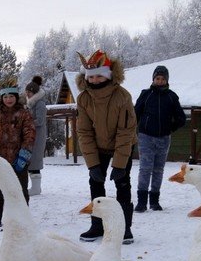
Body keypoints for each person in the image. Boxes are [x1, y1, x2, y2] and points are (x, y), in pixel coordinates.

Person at [76, 49, 137, 244]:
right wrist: (93, 164)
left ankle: (124, 227)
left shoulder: (122, 96)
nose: (94, 80)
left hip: (122, 145)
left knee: (122, 183)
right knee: (95, 183)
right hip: (98, 147)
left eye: (98, 75)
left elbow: (126, 131)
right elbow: (84, 132)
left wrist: (119, 165)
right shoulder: (84, 99)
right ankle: (97, 224)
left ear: (109, 74)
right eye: (90, 76)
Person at [134, 65, 186, 213]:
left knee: (158, 169)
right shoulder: (146, 94)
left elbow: (181, 118)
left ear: (167, 80)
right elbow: (135, 114)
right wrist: (134, 129)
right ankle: (141, 202)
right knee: (145, 169)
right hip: (146, 137)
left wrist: (170, 128)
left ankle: (155, 202)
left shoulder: (172, 96)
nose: (160, 81)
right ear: (153, 79)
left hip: (163, 139)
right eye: (157, 78)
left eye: (163, 79)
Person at [0, 81, 35, 227]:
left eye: (11, 96)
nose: (8, 99)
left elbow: (30, 134)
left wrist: (24, 155)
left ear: (16, 98)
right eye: (5, 97)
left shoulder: (24, 114)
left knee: (19, 190)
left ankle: (21, 217)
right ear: (1, 99)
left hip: (18, 160)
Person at [25, 76, 47, 196]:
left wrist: (27, 123)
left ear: (34, 92)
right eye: (26, 91)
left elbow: (40, 121)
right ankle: (34, 187)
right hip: (31, 136)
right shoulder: (31, 104)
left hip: (38, 137)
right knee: (31, 161)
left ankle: (36, 188)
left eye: (29, 92)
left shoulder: (40, 104)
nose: (27, 94)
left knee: (35, 161)